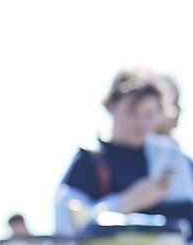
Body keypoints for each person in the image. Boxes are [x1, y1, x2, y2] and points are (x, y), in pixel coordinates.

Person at [56, 68, 193, 232]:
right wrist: (127, 202)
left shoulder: (174, 160)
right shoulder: (89, 161)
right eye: (133, 112)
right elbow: (67, 228)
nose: (141, 123)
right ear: (111, 106)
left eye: (149, 114)